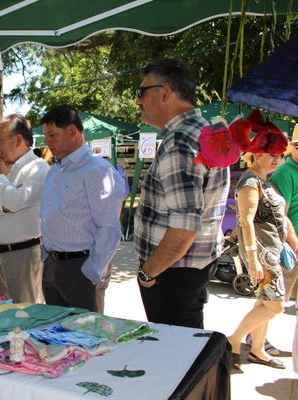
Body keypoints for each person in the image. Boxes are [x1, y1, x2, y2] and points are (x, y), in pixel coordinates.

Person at [133, 58, 230, 329]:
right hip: (188, 269)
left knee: (177, 359)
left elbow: (185, 227)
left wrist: (147, 271)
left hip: (170, 273)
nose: (137, 101)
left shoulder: (179, 141)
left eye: (141, 92)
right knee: (187, 350)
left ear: (164, 92)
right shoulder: (205, 132)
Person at [39, 105, 126, 313]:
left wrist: (92, 271)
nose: (47, 142)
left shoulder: (97, 170)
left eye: (52, 135)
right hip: (52, 264)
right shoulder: (55, 171)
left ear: (72, 131)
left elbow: (109, 228)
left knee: (87, 338)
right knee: (58, 337)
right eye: (46, 136)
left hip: (81, 267)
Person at [227, 124, 291, 370]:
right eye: (271, 154)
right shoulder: (250, 181)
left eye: (279, 155)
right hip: (262, 253)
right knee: (276, 305)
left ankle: (257, 349)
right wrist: (253, 259)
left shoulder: (263, 179)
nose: (276, 159)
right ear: (256, 153)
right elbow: (246, 220)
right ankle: (234, 339)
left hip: (270, 251)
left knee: (264, 303)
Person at [0, 114, 49, 303]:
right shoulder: (2, 168)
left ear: (19, 140)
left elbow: (15, 202)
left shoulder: (38, 168)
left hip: (22, 256)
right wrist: (1, 208)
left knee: (25, 318)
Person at [270, 130, 298, 302]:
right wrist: (295, 244)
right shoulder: (285, 173)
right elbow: (281, 214)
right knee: (275, 306)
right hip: (291, 250)